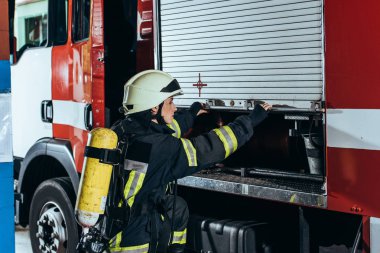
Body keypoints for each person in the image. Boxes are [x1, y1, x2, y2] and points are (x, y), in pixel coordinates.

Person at [109, 70, 272, 253]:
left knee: (177, 207)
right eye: (170, 102)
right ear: (154, 108)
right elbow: (208, 148)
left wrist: (192, 113)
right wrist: (250, 121)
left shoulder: (124, 131)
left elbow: (168, 130)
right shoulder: (158, 147)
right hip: (133, 244)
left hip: (118, 229)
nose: (175, 108)